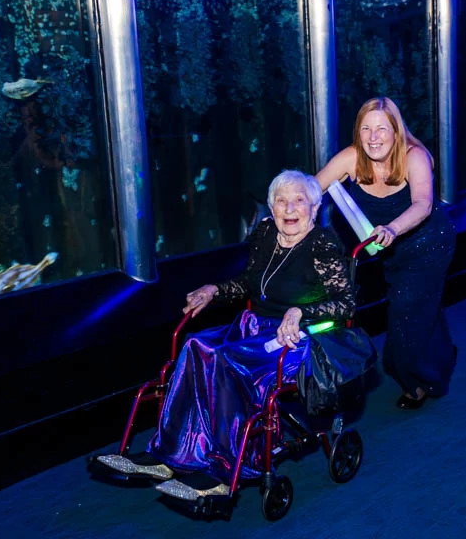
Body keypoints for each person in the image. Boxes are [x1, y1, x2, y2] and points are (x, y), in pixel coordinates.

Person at [96, 170, 356, 498]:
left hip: (295, 340)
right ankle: (169, 454)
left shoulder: (322, 243)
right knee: (195, 345)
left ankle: (223, 469)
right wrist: (214, 291)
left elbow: (346, 303)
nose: (290, 209)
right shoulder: (265, 233)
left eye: (299, 201)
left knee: (226, 361)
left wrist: (301, 312)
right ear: (272, 208)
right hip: (253, 328)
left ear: (314, 208)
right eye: (281, 201)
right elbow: (249, 282)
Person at [316, 96, 456, 410]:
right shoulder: (352, 158)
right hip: (390, 251)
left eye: (381, 128)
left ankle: (416, 383)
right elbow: (313, 188)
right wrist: (285, 205)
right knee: (422, 307)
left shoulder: (414, 156)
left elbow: (423, 204)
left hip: (428, 244)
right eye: (366, 128)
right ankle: (442, 355)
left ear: (396, 131)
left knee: (404, 315)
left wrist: (392, 228)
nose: (373, 136)